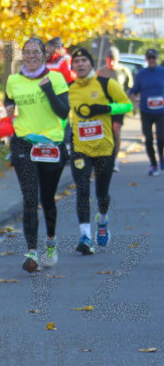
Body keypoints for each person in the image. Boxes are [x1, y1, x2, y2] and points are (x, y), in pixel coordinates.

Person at [3, 37, 71, 272]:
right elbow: (9, 98)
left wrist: (48, 89)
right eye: (27, 52)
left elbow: (63, 112)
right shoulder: (13, 80)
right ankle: (32, 253)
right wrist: (9, 107)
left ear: (44, 55)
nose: (31, 56)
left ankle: (50, 242)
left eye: (36, 52)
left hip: (51, 146)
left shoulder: (56, 78)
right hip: (24, 144)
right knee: (30, 198)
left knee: (47, 199)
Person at [67, 47, 132, 254]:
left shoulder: (106, 84)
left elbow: (127, 106)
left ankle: (102, 221)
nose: (80, 64)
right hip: (80, 148)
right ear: (73, 66)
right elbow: (61, 116)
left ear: (91, 64)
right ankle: (85, 236)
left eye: (84, 60)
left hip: (104, 147)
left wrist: (106, 109)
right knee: (82, 191)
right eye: (76, 62)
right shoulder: (69, 89)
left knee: (102, 194)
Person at [128, 47, 164, 175]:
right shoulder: (141, 74)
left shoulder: (162, 72)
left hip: (161, 111)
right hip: (146, 111)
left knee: (161, 138)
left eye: (153, 57)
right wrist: (134, 104)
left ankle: (161, 158)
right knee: (148, 139)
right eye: (149, 58)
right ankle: (153, 164)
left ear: (157, 58)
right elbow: (134, 91)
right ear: (146, 59)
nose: (151, 60)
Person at [98, 46, 134, 170]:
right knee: (104, 132)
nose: (111, 63)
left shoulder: (124, 70)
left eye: (114, 60)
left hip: (118, 105)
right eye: (109, 60)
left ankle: (114, 159)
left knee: (116, 131)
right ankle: (103, 158)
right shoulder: (100, 71)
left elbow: (129, 89)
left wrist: (131, 104)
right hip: (105, 106)